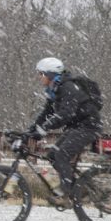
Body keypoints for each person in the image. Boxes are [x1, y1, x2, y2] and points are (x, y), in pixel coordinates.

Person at [24, 57, 103, 207]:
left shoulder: (67, 87)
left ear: (51, 74)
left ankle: (66, 195)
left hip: (89, 126)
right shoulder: (54, 89)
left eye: (41, 74)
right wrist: (30, 130)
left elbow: (66, 113)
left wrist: (44, 129)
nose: (39, 78)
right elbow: (46, 113)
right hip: (77, 127)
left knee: (62, 154)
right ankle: (80, 189)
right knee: (53, 155)